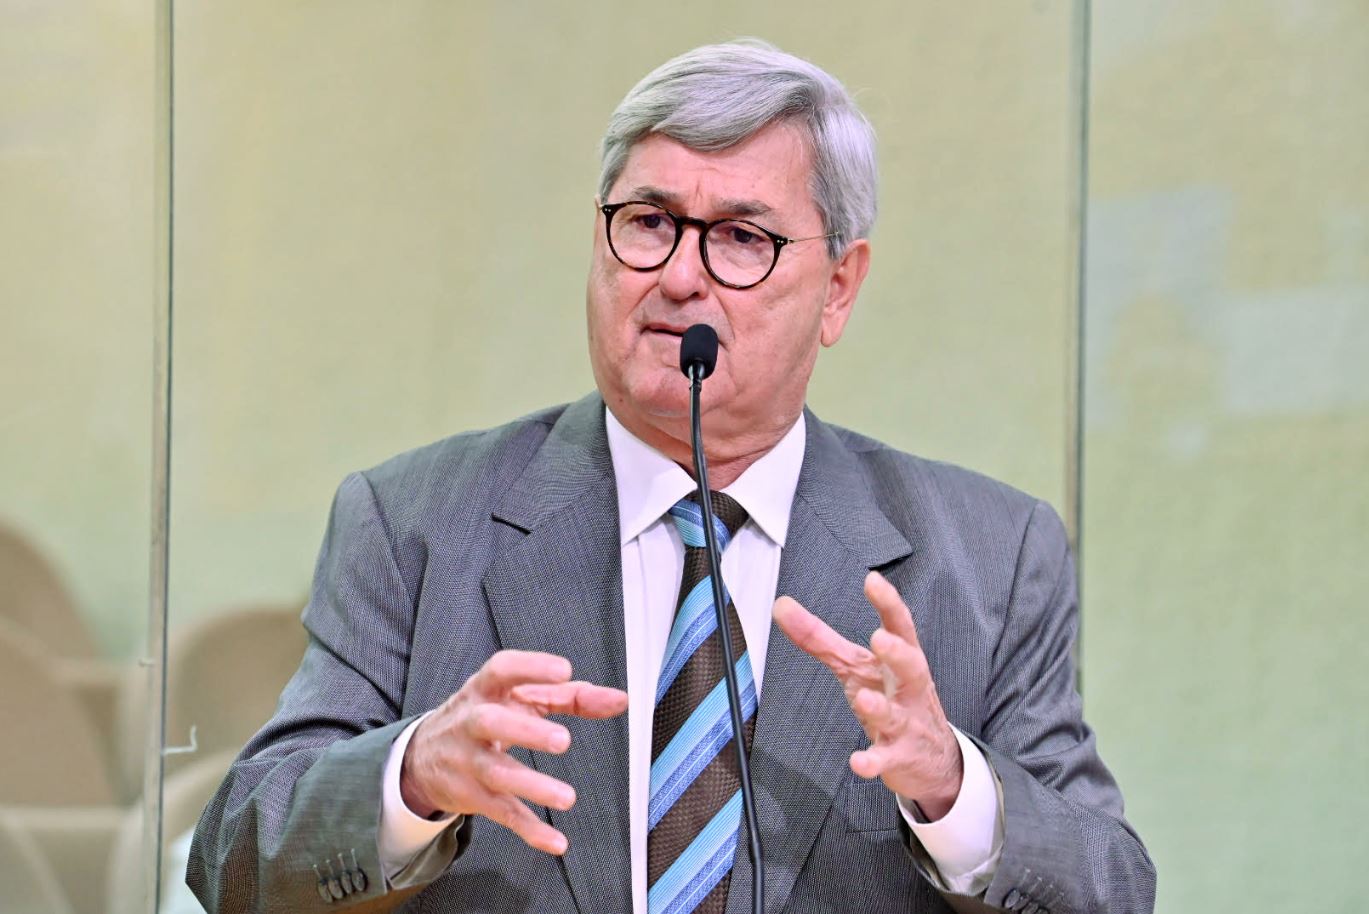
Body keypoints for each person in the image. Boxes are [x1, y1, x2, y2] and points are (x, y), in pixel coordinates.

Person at [188, 39, 1154, 914]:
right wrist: (411, 779)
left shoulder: (989, 555)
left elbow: (1109, 890)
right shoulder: (413, 523)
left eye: (741, 237)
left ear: (839, 287)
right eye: (648, 221)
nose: (680, 277)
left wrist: (952, 789)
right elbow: (237, 863)